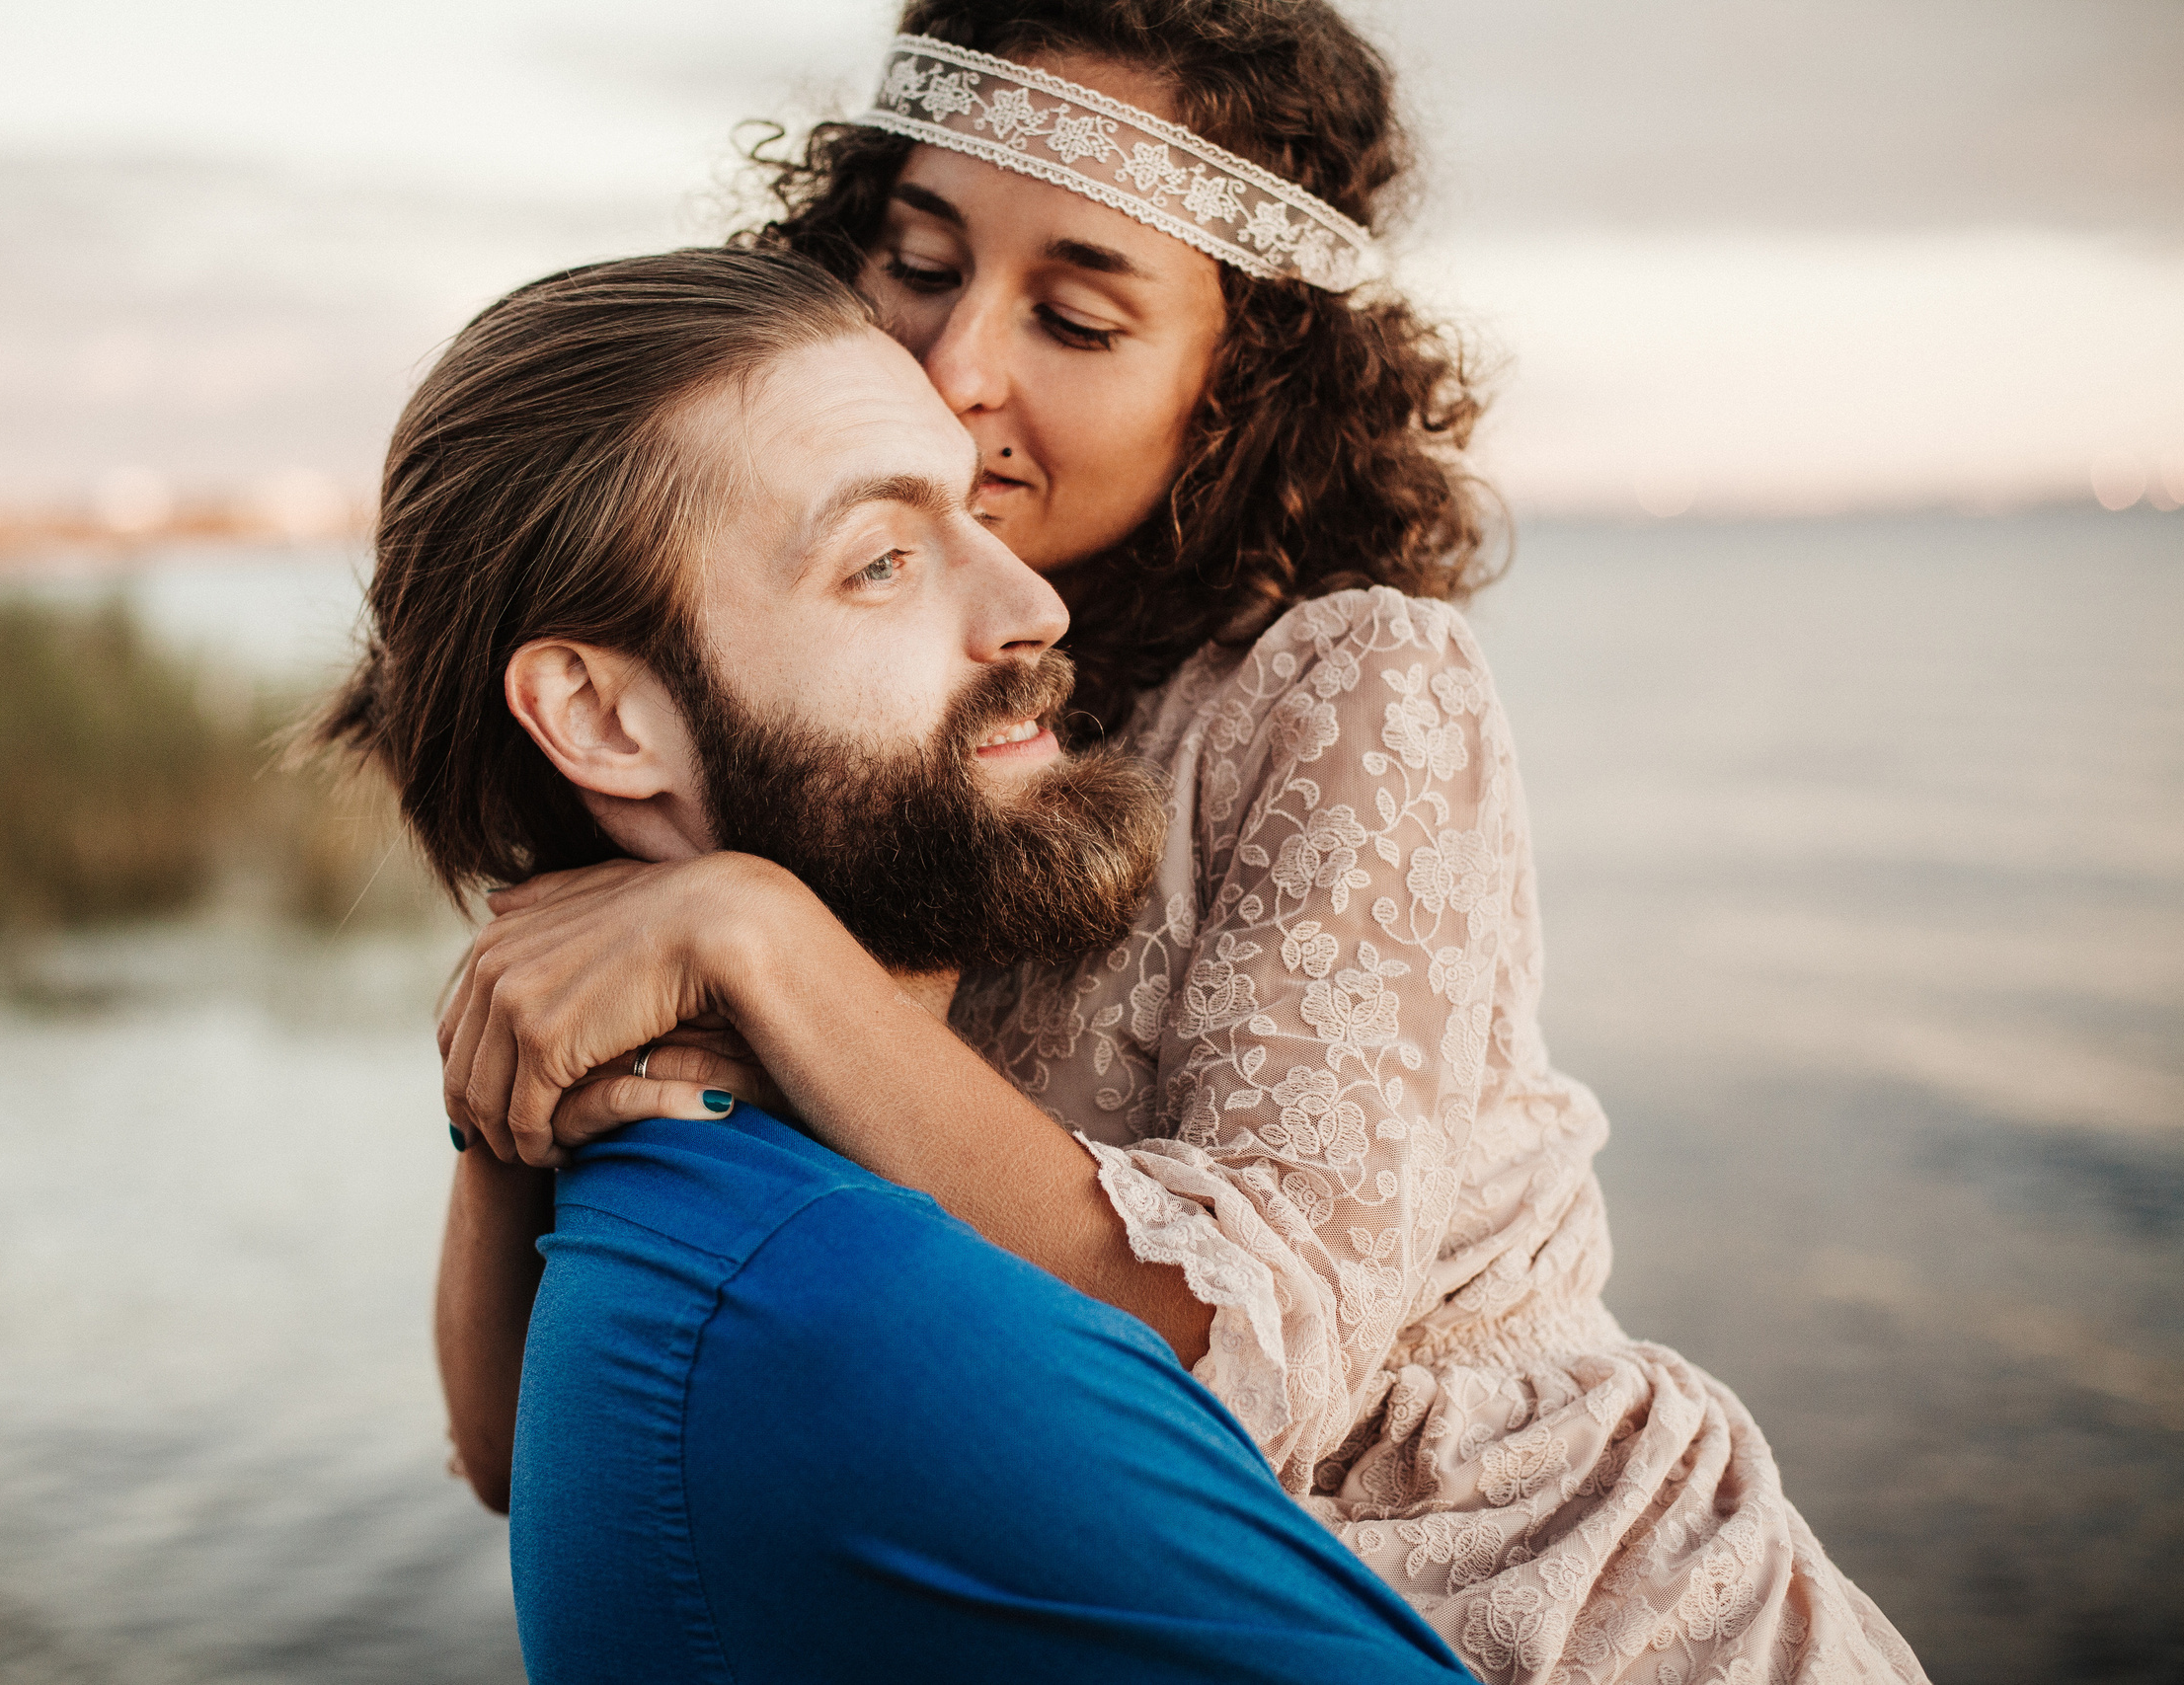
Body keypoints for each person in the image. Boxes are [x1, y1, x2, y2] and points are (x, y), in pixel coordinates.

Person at [429, 4, 1929, 1683]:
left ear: (1239, 381)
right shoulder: (836, 736)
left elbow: (1250, 1366)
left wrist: (751, 937)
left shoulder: (1350, 684)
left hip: (1554, 1593)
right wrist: (514, 1082)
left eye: (1075, 315)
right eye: (915, 262)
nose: (952, 367)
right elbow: (514, 1453)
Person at [321, 247, 1473, 1683]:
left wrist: (728, 931)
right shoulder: (858, 1311)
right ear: (602, 719)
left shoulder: (683, 1214)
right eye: (881, 561)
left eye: (974, 510)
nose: (1037, 610)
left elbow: (499, 1454)